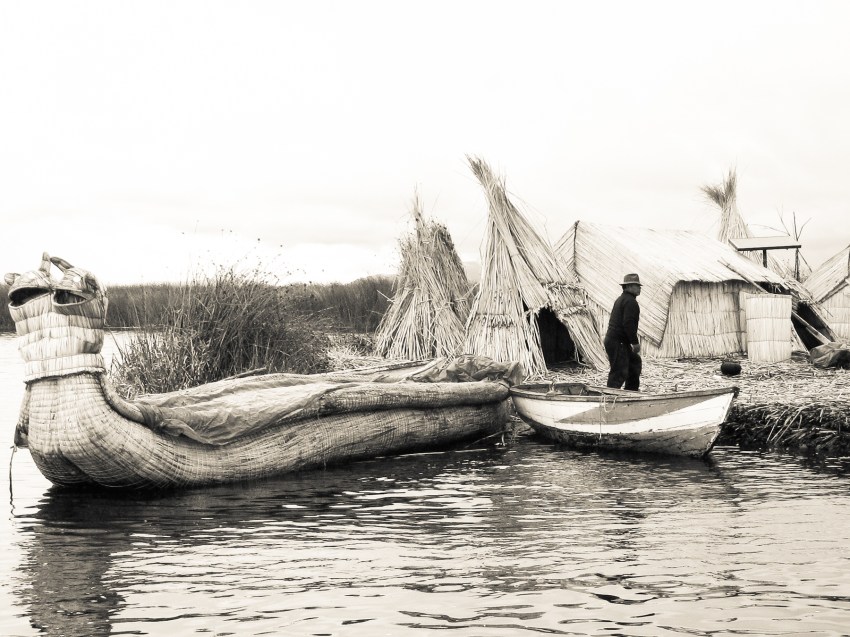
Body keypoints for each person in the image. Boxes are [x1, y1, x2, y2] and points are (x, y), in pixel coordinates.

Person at [604, 273, 642, 391]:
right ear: (628, 286)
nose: (639, 288)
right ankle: (610, 396)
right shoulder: (630, 302)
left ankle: (631, 392)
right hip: (618, 342)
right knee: (619, 371)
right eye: (637, 286)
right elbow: (628, 324)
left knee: (634, 362)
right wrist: (635, 343)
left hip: (616, 341)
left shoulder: (622, 299)